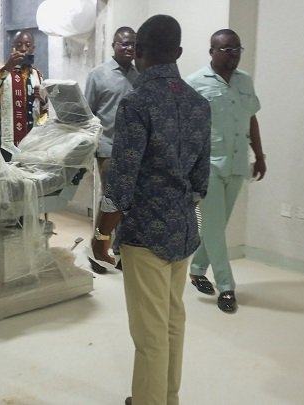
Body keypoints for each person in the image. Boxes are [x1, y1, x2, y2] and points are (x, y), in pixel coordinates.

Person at [91, 15, 210, 405]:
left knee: (149, 335)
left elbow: (121, 181)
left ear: (139, 51)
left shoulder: (136, 103)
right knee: (173, 322)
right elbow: (200, 181)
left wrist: (101, 234)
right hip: (183, 232)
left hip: (146, 235)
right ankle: (167, 397)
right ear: (177, 52)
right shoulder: (199, 104)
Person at [185, 28, 265, 313]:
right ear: (212, 52)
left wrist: (260, 154)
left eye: (237, 48)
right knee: (214, 225)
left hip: (236, 162)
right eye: (226, 48)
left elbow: (251, 118)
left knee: (217, 225)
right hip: (206, 165)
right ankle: (226, 286)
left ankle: (196, 268)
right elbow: (186, 129)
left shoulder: (245, 81)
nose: (233, 53)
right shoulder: (194, 83)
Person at [85, 26, 139, 274]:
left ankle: (120, 250)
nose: (129, 48)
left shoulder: (141, 77)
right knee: (110, 203)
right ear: (114, 45)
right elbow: (87, 115)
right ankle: (97, 250)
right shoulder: (98, 75)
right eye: (124, 44)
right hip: (108, 150)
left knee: (128, 205)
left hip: (135, 152)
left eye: (133, 45)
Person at [0, 30, 48, 161]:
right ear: (13, 48)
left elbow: (44, 117)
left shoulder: (37, 75)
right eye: (19, 45)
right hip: (7, 147)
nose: (23, 49)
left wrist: (44, 102)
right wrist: (7, 68)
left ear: (33, 49)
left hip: (32, 147)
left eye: (28, 45)